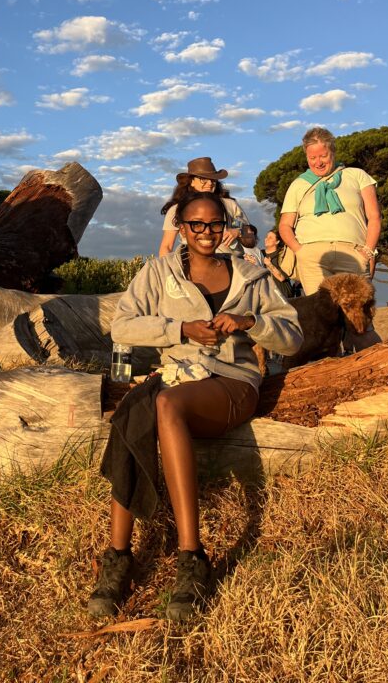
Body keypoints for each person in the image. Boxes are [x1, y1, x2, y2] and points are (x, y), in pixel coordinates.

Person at [91, 190, 303, 622]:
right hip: (178, 376)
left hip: (232, 382)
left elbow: (292, 336)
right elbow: (122, 325)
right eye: (197, 225)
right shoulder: (158, 272)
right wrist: (180, 330)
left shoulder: (252, 277)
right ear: (182, 229)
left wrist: (251, 322)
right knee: (133, 413)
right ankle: (118, 555)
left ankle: (192, 557)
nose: (207, 233)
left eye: (215, 225)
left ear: (225, 228)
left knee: (165, 404)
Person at [278, 127, 381, 297]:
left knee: (358, 313)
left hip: (353, 254)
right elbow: (285, 225)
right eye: (312, 158)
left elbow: (374, 217)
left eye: (323, 156)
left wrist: (368, 252)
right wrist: (300, 251)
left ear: (333, 152)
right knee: (322, 315)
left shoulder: (357, 175)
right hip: (312, 257)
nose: (318, 162)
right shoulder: (298, 184)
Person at [158, 157, 248, 258]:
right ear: (191, 181)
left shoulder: (230, 205)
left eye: (213, 179)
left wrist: (237, 230)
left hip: (232, 264)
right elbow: (167, 246)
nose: (209, 183)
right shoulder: (176, 209)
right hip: (195, 266)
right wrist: (168, 271)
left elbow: (246, 230)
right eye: (203, 179)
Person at [262, 228, 298, 300]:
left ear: (277, 241)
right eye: (266, 236)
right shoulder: (260, 253)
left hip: (283, 295)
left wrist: (269, 265)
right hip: (265, 295)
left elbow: (281, 278)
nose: (266, 239)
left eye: (270, 238)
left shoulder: (282, 255)